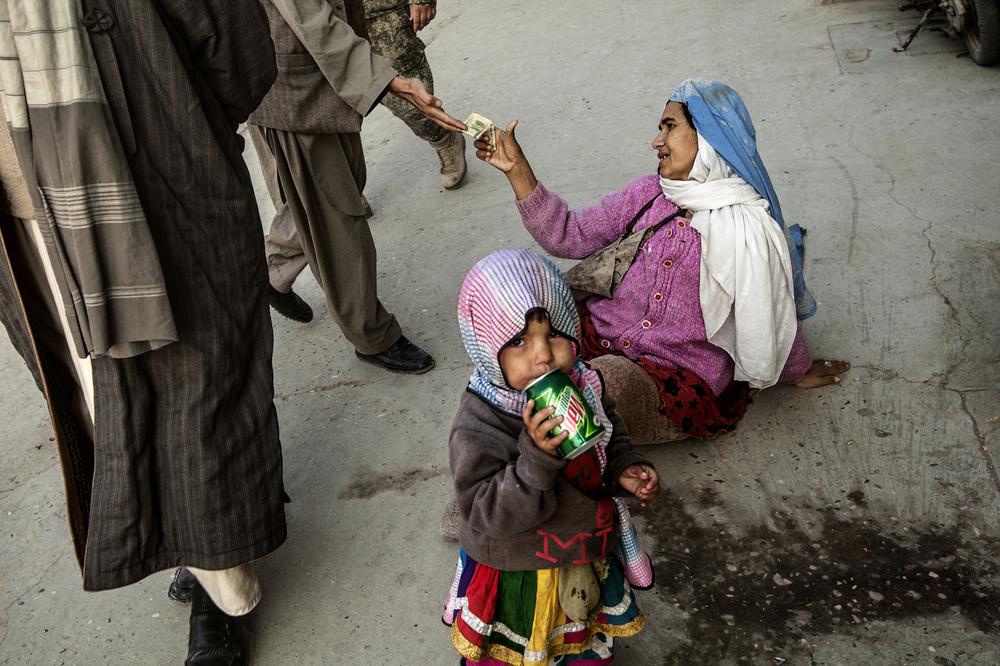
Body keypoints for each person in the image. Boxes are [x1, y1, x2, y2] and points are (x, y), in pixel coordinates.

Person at [0, 2, 285, 663]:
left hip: (153, 181)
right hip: (28, 223)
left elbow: (237, 46)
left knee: (199, 392)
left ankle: (224, 589)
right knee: (104, 403)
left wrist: (178, 122)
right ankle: (193, 540)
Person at [473, 79, 850, 443]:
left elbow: (769, 308)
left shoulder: (749, 229)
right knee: (514, 303)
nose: (657, 141)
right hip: (593, 336)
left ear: (710, 137)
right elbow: (568, 235)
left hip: (667, 379)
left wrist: (796, 369)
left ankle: (540, 447)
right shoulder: (649, 193)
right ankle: (529, 421)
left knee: (603, 384)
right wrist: (517, 169)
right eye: (660, 129)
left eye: (670, 127)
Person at [443, 248, 659, 664]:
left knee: (579, 634)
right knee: (522, 644)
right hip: (519, 566)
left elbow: (609, 435)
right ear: (486, 347)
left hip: (582, 547)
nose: (543, 354)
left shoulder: (582, 383)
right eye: (519, 341)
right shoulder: (481, 419)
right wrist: (536, 458)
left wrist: (624, 467)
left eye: (554, 334)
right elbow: (484, 510)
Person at [249, 0, 466, 375]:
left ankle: (273, 270)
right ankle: (372, 335)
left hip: (320, 78)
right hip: (292, 91)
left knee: (335, 191)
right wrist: (393, 82)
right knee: (337, 221)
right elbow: (312, 20)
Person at [363, 0, 468, 189]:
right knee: (328, 114)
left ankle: (444, 138)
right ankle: (343, 191)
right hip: (323, 21)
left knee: (411, 102)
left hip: (380, 12)